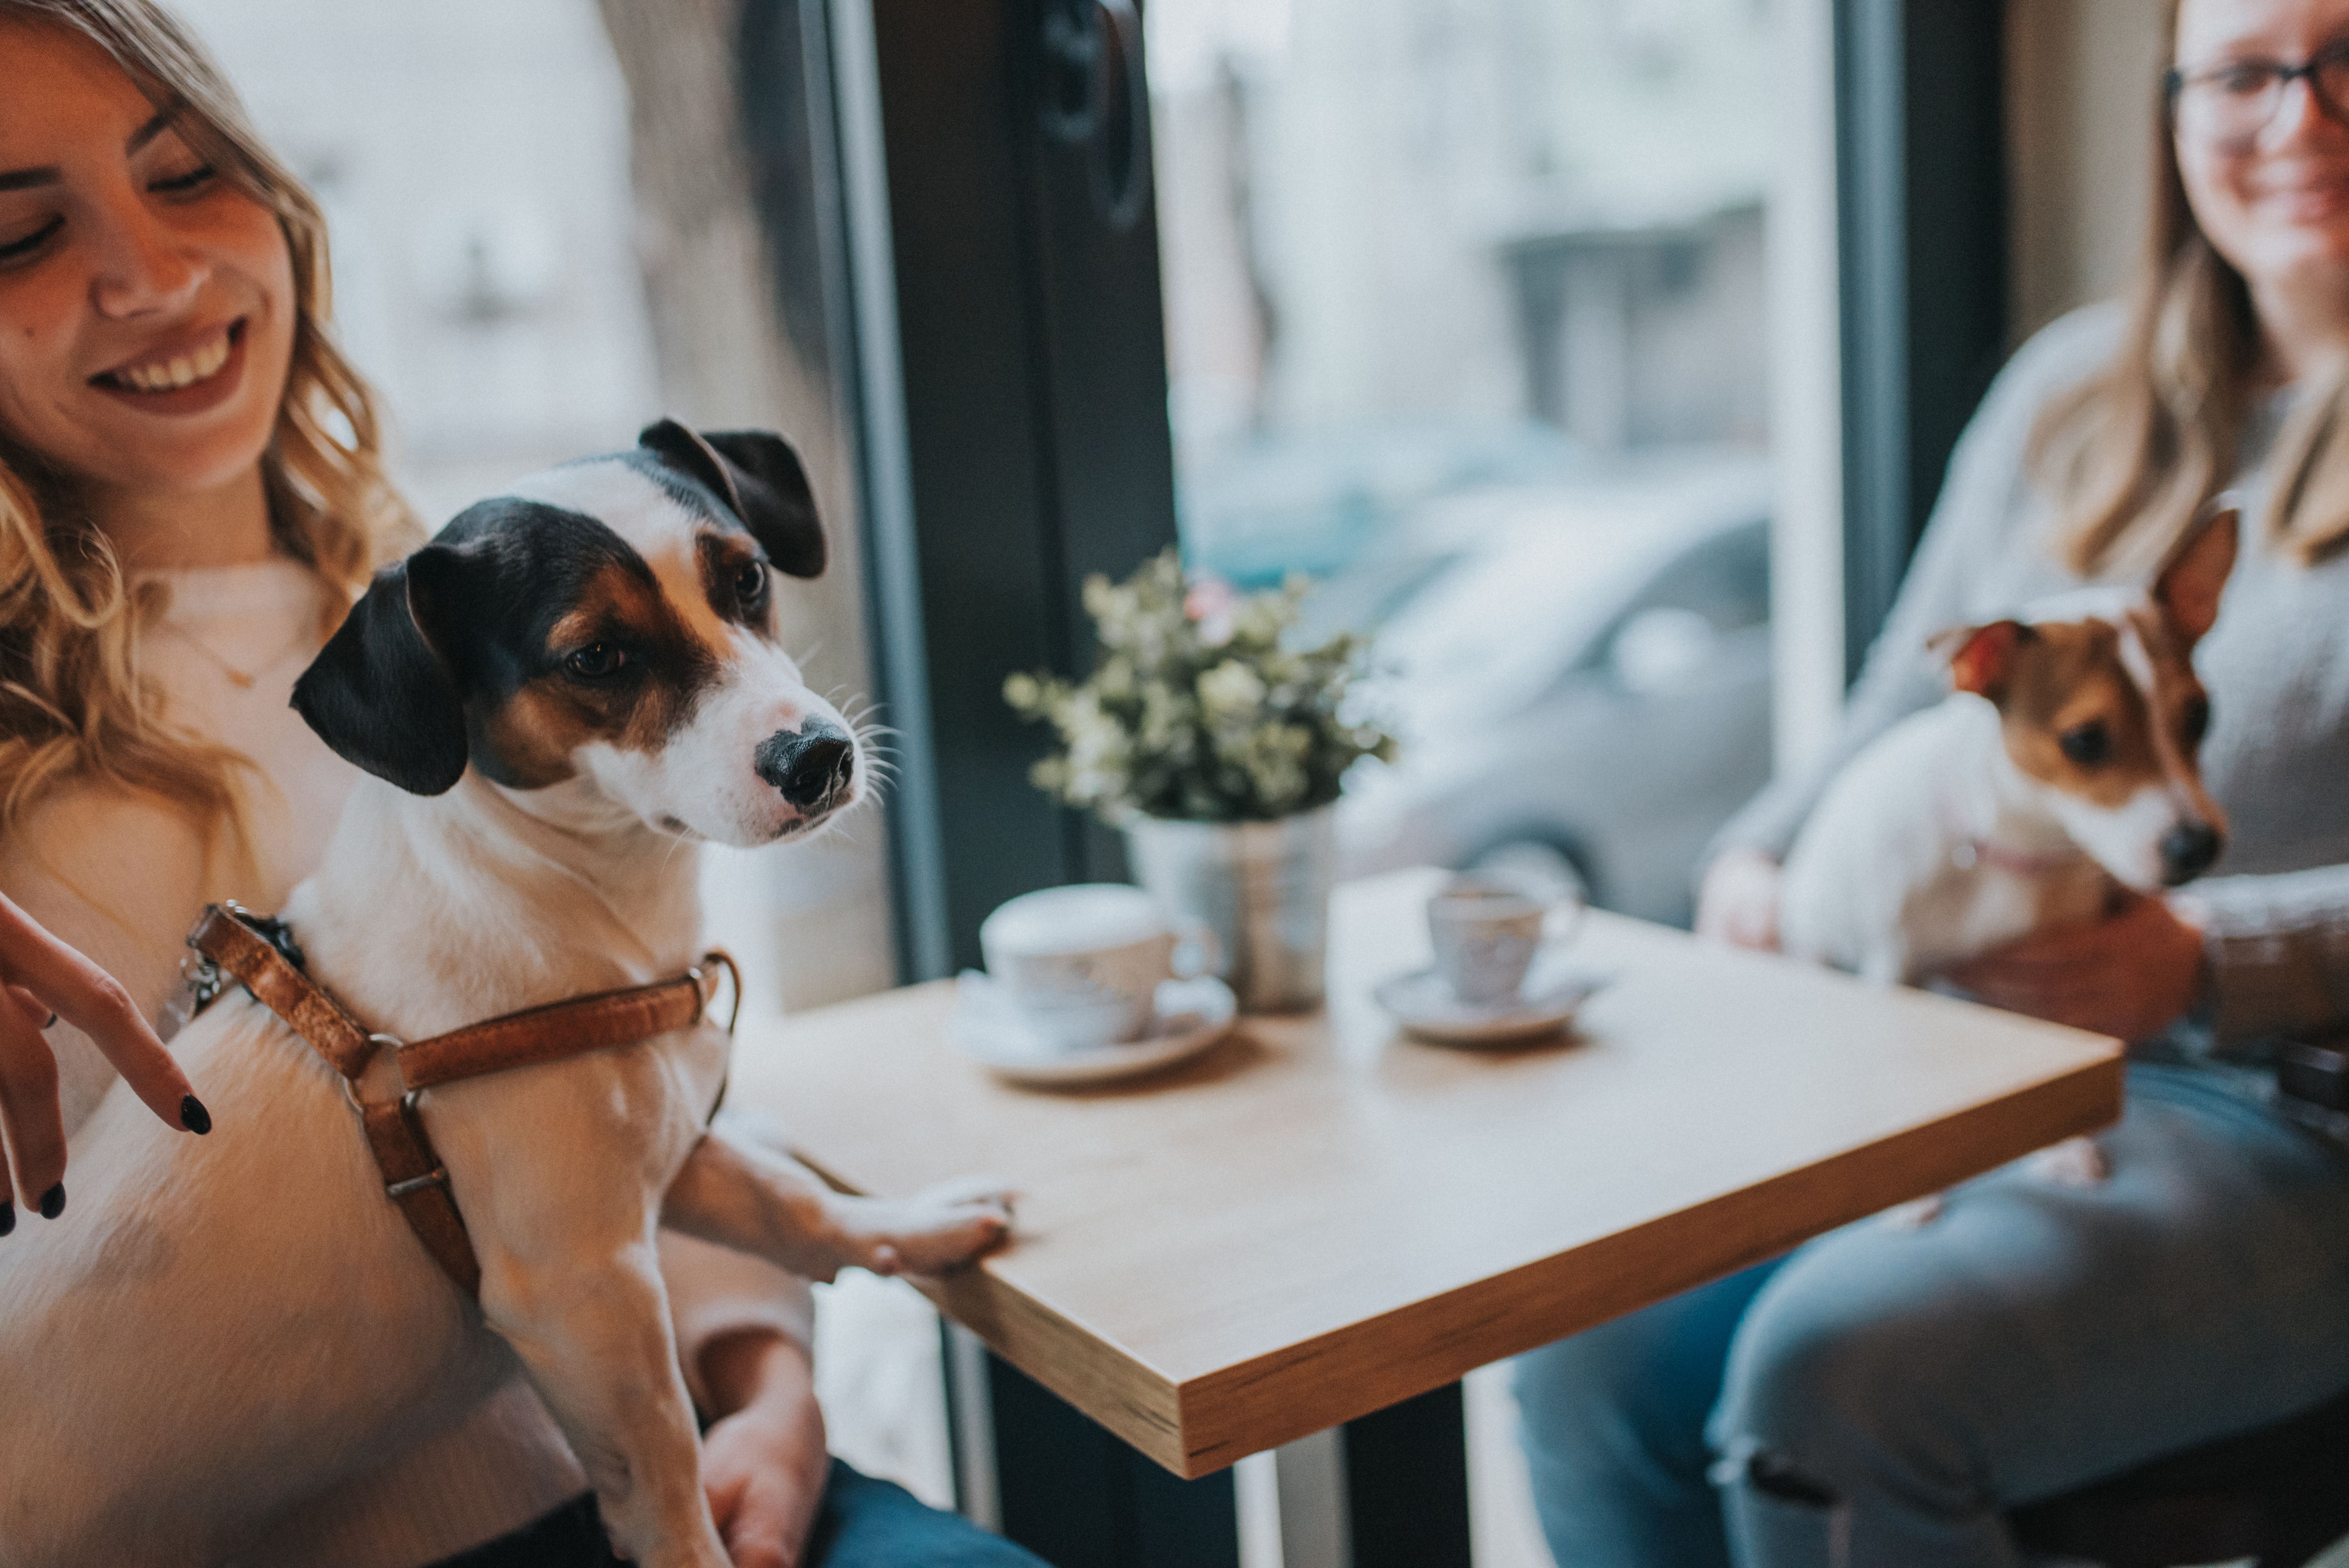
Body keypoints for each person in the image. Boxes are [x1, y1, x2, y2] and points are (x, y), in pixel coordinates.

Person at [0, 4, 1041, 1565]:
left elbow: (625, 1108)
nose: (154, 276)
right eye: (19, 232)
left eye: (192, 173)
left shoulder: (468, 593)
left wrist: (767, 1382)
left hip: (642, 1461)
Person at [1512, 0, 2349, 1563]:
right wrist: (1760, 853)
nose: (2296, 121)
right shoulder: (2065, 389)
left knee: (1838, 1382)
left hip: (2289, 1114)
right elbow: (1908, 686)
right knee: (1587, 1339)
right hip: (1954, 1053)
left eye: (2348, 60)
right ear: (2175, 109)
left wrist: (2204, 963)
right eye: (2242, 71)